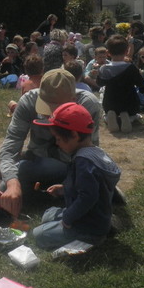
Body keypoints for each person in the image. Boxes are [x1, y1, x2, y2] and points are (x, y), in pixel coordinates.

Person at [0, 69, 102, 218]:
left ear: (73, 99)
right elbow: (11, 144)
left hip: (71, 163)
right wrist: (13, 184)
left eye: (56, 109)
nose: (47, 115)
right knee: (7, 186)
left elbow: (89, 152)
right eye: (46, 107)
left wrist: (76, 181)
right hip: (38, 158)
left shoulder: (88, 104)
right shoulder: (28, 101)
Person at [32, 102, 121, 249]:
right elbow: (88, 186)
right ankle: (101, 225)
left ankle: (89, 240)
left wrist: (67, 219)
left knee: (39, 235)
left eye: (59, 138)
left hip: (88, 225)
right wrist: (64, 188)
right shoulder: (95, 152)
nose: (57, 142)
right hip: (94, 215)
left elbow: (88, 197)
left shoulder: (83, 162)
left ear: (74, 135)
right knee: (48, 214)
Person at [97, 35, 144, 133]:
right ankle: (128, 117)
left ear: (108, 53)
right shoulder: (131, 68)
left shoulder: (104, 68)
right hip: (129, 103)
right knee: (134, 114)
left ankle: (109, 117)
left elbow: (99, 83)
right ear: (126, 52)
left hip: (110, 102)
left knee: (106, 110)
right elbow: (140, 83)